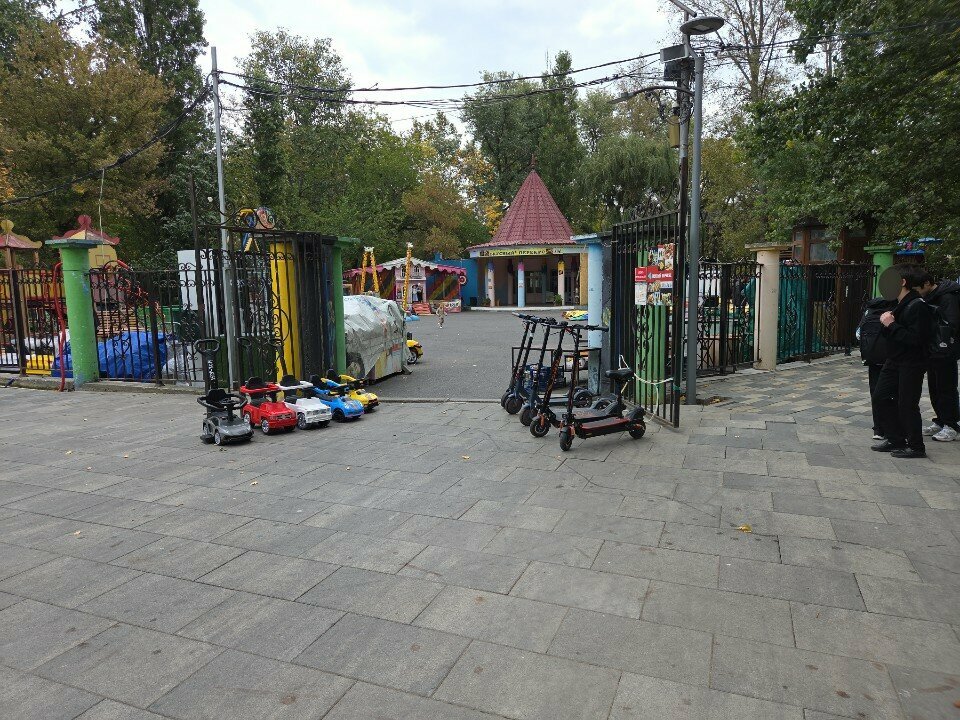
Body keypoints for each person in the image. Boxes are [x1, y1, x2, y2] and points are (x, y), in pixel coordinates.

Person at [871, 267, 934, 458]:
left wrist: (892, 325)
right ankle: (895, 438)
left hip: (912, 362)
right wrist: (887, 323)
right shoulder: (899, 304)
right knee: (880, 396)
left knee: (907, 403)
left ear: (902, 282)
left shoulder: (917, 305)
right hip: (895, 360)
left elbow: (917, 339)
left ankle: (916, 446)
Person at [918, 273, 960, 441]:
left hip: (945, 350)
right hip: (932, 349)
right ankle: (941, 420)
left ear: (927, 283)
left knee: (946, 387)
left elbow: (951, 324)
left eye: (918, 288)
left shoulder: (947, 297)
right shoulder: (931, 297)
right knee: (935, 387)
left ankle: (951, 424)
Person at [857, 296, 896, 439]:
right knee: (894, 394)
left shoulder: (870, 308)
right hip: (892, 358)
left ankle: (878, 429)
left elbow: (858, 334)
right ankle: (893, 429)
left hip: (872, 358)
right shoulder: (898, 307)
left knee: (876, 392)